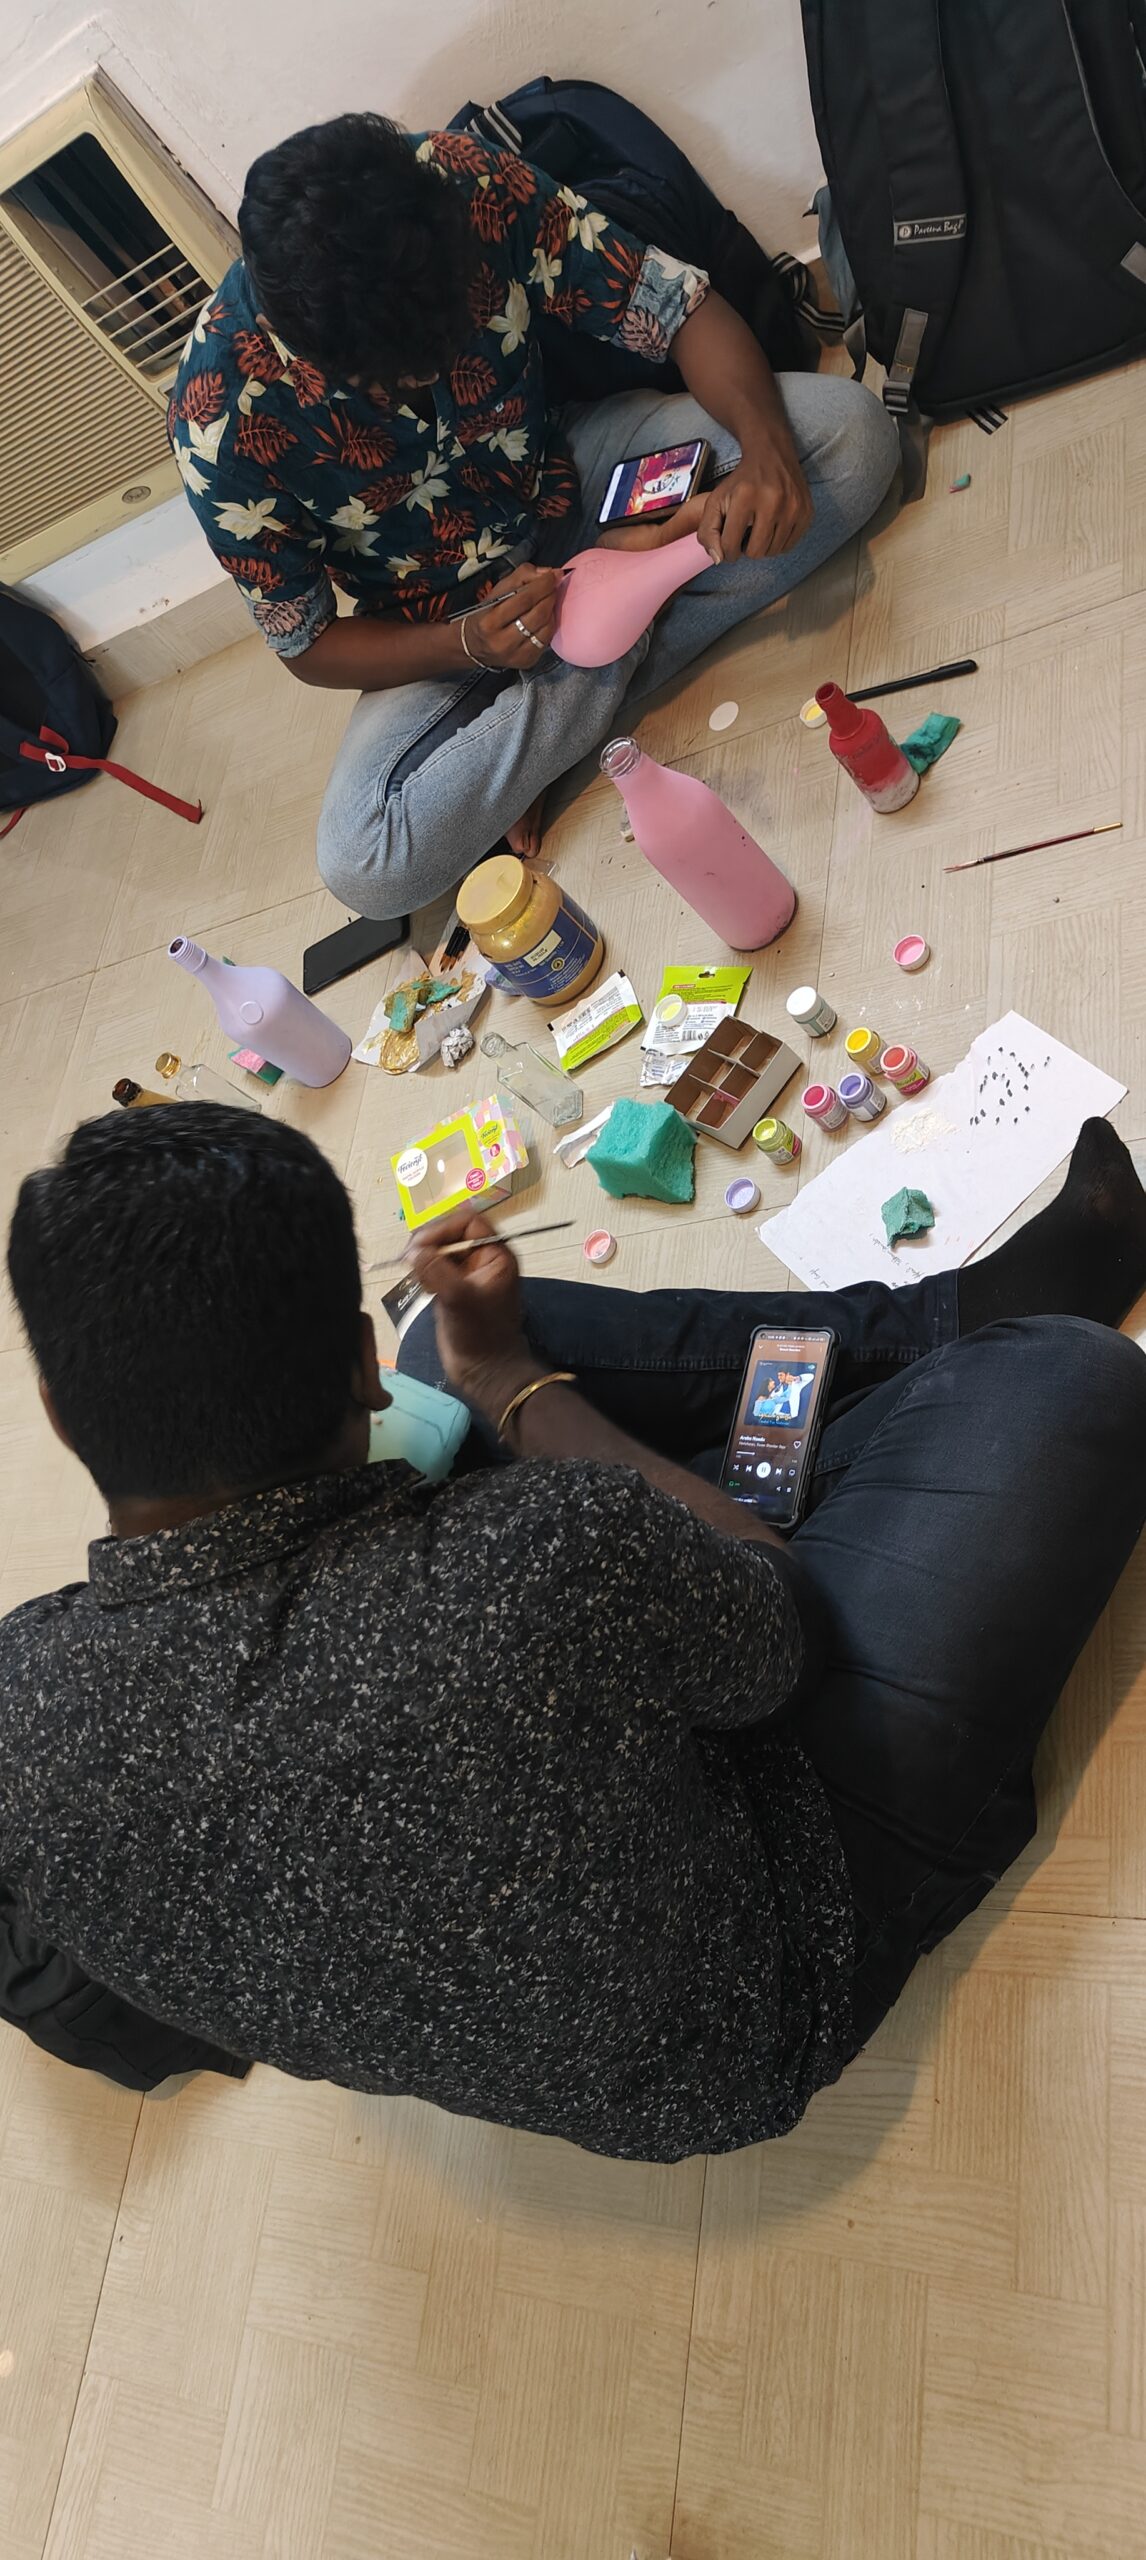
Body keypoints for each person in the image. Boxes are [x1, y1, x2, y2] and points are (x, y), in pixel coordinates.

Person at [2, 1105, 1145, 2156]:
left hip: (547, 1851)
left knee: (441, 1349)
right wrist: (514, 1381)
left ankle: (935, 1328)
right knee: (1063, 1381)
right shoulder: (535, 1561)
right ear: (353, 1368)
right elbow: (782, 1629)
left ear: (58, 1413)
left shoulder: (17, 1700)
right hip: (760, 1971)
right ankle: (925, 1367)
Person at [168, 113, 900, 918]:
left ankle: (566, 696)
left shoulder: (462, 180)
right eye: (397, 379)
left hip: (575, 472)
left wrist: (765, 454)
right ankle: (620, 610)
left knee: (852, 439)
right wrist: (468, 645)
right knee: (367, 861)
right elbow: (308, 645)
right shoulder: (219, 417)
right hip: (450, 621)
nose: (432, 378)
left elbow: (680, 310)